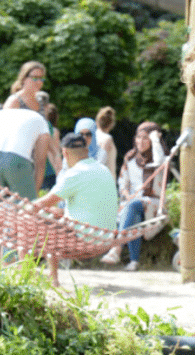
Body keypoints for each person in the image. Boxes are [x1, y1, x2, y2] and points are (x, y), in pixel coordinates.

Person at [33, 132, 119, 286]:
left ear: (64, 153)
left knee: (43, 218)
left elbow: (42, 204)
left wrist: (18, 207)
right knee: (56, 212)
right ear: (87, 150)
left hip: (84, 239)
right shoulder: (103, 169)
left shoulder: (74, 174)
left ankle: (52, 278)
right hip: (106, 237)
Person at [0, 108, 51, 261]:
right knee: (25, 216)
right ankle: (20, 266)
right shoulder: (41, 122)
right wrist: (33, 197)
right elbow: (41, 163)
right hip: (18, 161)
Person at [100, 121, 168, 271]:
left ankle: (117, 248)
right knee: (133, 212)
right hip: (133, 201)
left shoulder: (158, 158)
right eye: (138, 137)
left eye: (146, 138)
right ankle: (134, 261)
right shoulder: (130, 157)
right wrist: (126, 194)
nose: (140, 142)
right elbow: (122, 182)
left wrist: (156, 139)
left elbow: (160, 162)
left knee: (133, 206)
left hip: (154, 202)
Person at [40, 100, 63, 190]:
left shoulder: (38, 127)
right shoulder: (54, 131)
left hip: (38, 171)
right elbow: (54, 151)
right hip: (51, 171)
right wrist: (59, 171)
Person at [95, 106, 118, 179]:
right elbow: (100, 161)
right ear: (112, 124)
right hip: (105, 182)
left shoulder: (90, 136)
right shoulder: (107, 139)